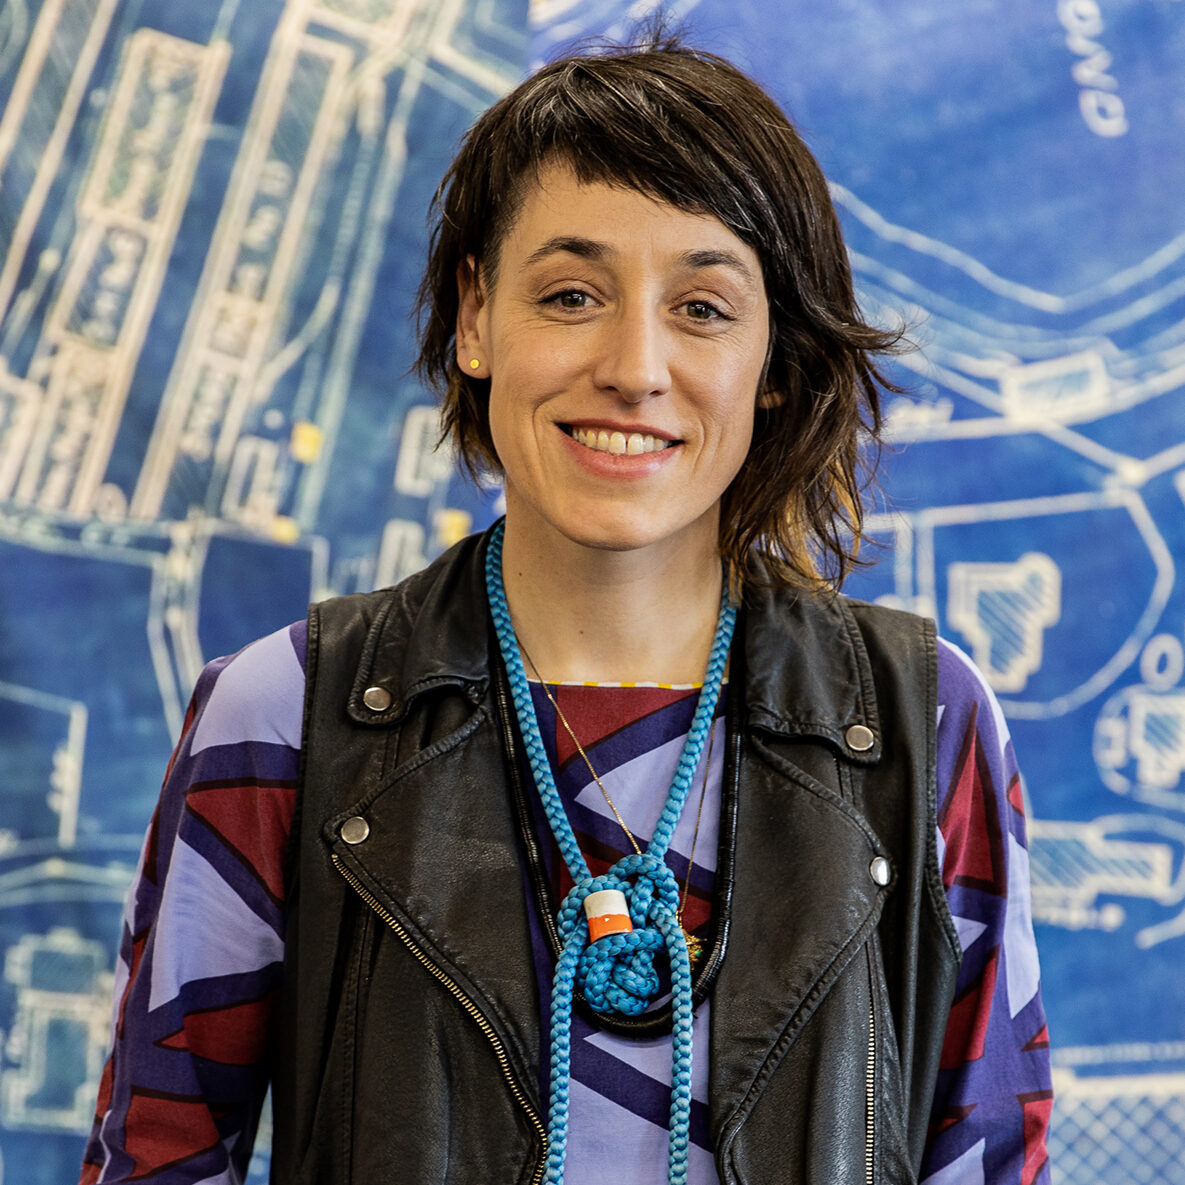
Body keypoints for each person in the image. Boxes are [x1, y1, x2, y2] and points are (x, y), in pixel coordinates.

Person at [80, 34, 1052, 1185]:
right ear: (478, 316)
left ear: (774, 360)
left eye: (701, 306)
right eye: (573, 294)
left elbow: (991, 1161)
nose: (635, 366)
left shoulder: (923, 720)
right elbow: (158, 1160)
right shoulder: (285, 715)